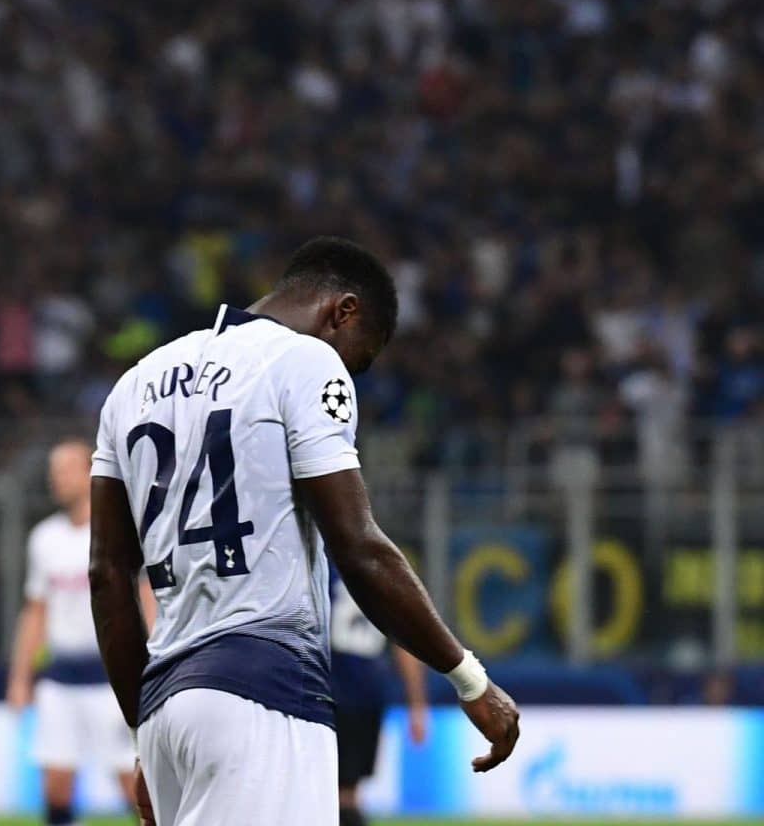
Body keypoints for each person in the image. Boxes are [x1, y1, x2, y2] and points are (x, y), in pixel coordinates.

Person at [88, 237, 521, 825]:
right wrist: (470, 680)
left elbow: (107, 573)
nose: (352, 374)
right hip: (264, 694)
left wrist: (146, 731)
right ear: (343, 311)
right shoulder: (304, 362)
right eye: (360, 358)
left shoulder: (135, 384)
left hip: (167, 706)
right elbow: (359, 547)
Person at [7, 438, 153, 826]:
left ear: (90, 472)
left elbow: (146, 598)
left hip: (111, 677)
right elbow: (35, 612)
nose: (56, 479)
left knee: (134, 786)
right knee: (55, 788)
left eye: (65, 470)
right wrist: (20, 678)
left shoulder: (118, 532)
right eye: (53, 471)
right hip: (61, 676)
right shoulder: (44, 538)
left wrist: (155, 661)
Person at [330, 569, 429, 826]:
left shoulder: (322, 567)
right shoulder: (382, 571)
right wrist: (417, 706)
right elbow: (405, 644)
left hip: (331, 690)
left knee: (337, 791)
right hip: (366, 691)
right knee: (347, 790)